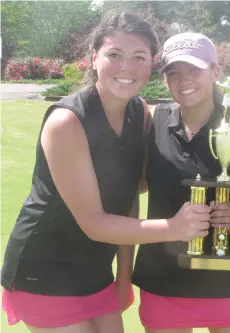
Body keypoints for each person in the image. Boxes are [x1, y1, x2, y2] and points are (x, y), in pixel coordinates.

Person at [1, 13, 211, 333]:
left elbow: (128, 198)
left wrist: (123, 276)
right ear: (93, 57)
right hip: (44, 270)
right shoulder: (66, 122)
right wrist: (174, 227)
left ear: (151, 64)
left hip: (95, 271)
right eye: (114, 55)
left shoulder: (138, 112)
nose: (126, 67)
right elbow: (96, 224)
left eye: (138, 57)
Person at [131, 32, 230, 333]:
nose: (183, 80)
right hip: (162, 276)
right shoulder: (151, 120)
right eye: (173, 73)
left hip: (226, 275)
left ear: (215, 72)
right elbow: (137, 185)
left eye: (194, 70)